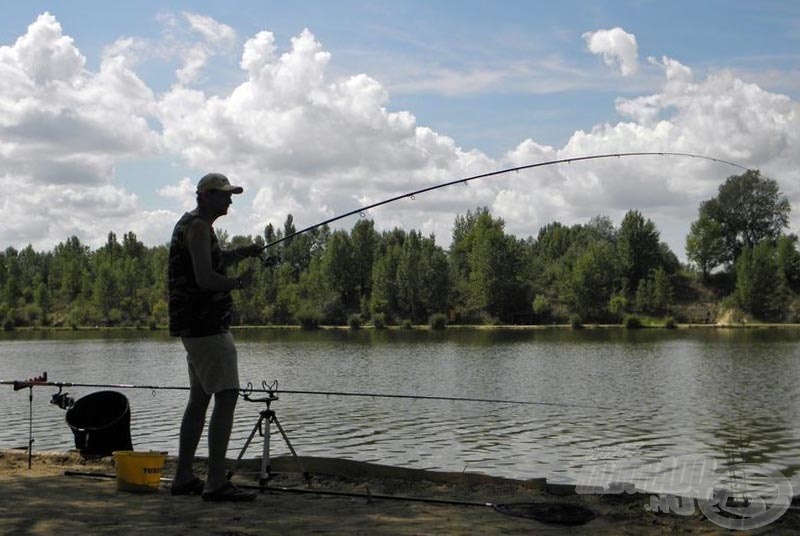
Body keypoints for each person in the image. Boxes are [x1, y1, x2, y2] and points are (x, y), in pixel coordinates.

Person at [168, 172, 261, 501]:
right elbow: (206, 278)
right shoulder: (197, 228)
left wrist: (241, 252)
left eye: (230, 194)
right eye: (224, 195)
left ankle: (183, 477)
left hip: (195, 327)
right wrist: (238, 283)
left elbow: (209, 260)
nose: (230, 200)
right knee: (227, 395)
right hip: (206, 327)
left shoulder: (192, 225)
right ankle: (216, 483)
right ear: (205, 195)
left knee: (199, 399)